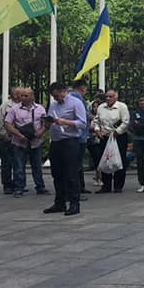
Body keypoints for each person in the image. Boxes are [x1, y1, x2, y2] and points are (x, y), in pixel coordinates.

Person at [43, 81, 87, 215]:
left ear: (63, 91)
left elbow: (82, 123)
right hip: (56, 141)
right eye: (54, 97)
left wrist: (65, 122)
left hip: (70, 141)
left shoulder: (75, 103)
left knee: (71, 174)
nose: (56, 99)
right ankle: (59, 202)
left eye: (57, 96)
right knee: (57, 173)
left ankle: (74, 203)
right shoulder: (54, 105)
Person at [4, 88, 48, 198]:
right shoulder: (14, 109)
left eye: (26, 95)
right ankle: (19, 188)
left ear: (32, 96)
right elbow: (7, 123)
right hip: (19, 142)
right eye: (22, 96)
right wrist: (19, 135)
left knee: (37, 165)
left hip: (35, 141)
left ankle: (40, 186)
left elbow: (46, 122)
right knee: (19, 166)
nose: (23, 98)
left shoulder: (40, 109)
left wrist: (41, 132)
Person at [92, 89, 130, 193]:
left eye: (111, 96)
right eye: (107, 97)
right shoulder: (101, 107)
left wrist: (116, 132)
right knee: (105, 160)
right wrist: (97, 130)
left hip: (118, 137)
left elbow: (125, 122)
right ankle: (106, 185)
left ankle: (118, 185)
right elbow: (96, 120)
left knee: (119, 160)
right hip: (104, 136)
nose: (108, 98)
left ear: (116, 97)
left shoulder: (122, 107)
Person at [0, 86, 20, 195]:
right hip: (8, 139)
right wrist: (4, 135)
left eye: (20, 93)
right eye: (16, 93)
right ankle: (7, 185)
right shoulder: (5, 106)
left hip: (20, 139)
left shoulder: (24, 106)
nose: (18, 95)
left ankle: (18, 184)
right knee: (7, 163)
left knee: (18, 163)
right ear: (11, 94)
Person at [70, 80, 91, 195]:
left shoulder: (71, 97)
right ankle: (77, 188)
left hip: (79, 134)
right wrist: (91, 116)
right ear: (82, 88)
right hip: (79, 135)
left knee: (77, 163)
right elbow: (83, 114)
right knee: (77, 163)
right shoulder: (77, 98)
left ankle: (80, 186)